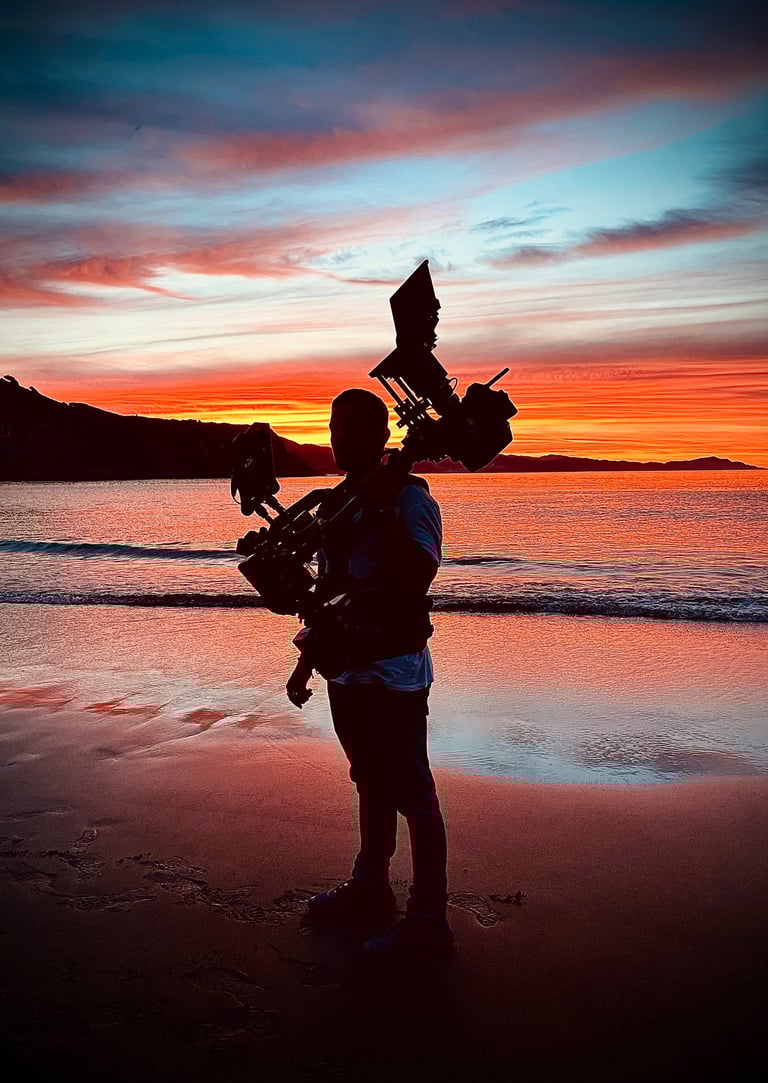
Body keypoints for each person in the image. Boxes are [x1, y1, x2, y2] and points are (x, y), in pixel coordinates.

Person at [286, 387, 453, 956]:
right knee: (368, 778)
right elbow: (328, 594)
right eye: (336, 425)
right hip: (346, 669)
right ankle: (370, 887)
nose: (342, 436)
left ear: (383, 436)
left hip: (395, 670)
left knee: (414, 791)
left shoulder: (410, 500)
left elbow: (416, 579)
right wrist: (305, 664)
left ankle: (429, 918)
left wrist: (381, 505)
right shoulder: (335, 503)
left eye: (357, 426)